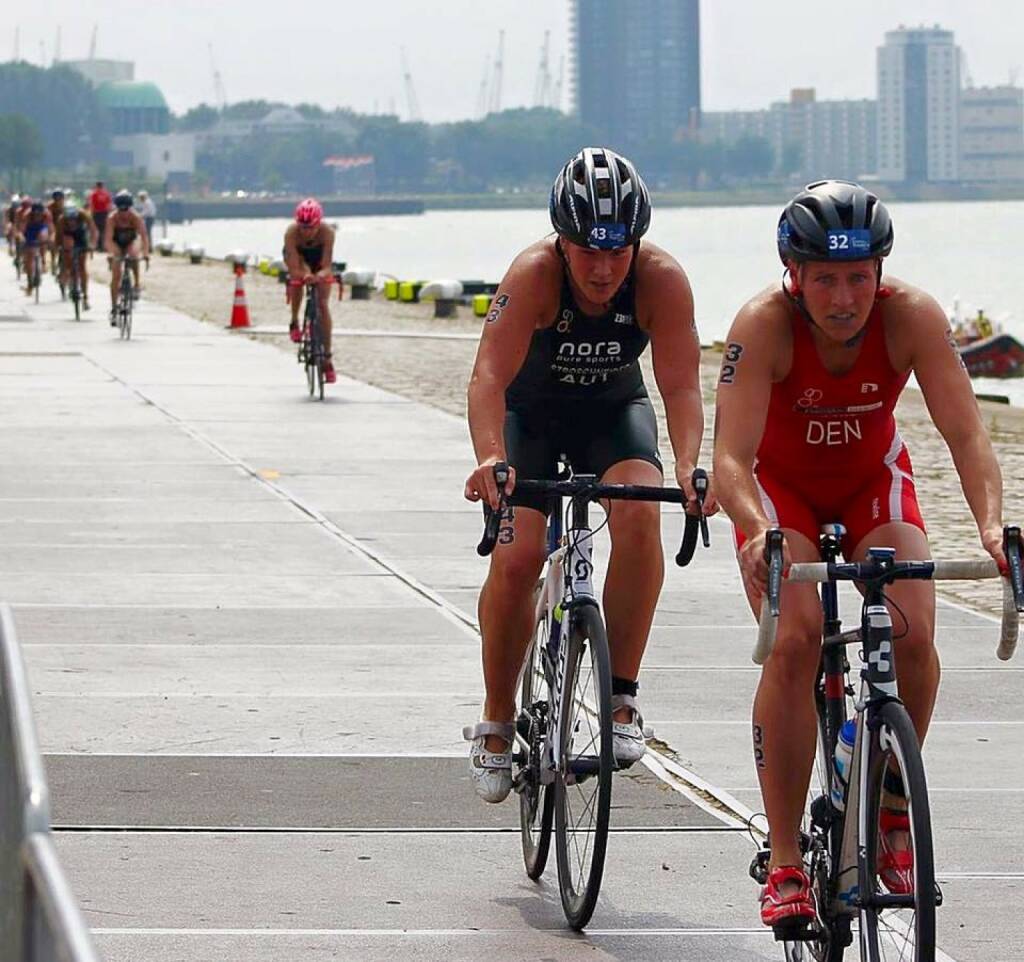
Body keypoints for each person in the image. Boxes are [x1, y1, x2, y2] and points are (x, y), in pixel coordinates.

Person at [711, 180, 1006, 930]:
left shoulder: (911, 318)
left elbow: (967, 435)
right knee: (798, 639)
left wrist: (995, 528)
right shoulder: (764, 325)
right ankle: (783, 860)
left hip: (873, 484)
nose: (844, 299)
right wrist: (753, 531)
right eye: (826, 280)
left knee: (913, 632)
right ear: (795, 275)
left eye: (859, 278)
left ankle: (893, 812)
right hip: (784, 496)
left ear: (881, 273)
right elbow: (732, 460)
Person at [461, 146, 713, 803]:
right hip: (532, 419)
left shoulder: (662, 280)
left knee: (639, 516)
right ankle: (495, 719)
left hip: (612, 413)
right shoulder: (534, 276)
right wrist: (490, 457)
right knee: (516, 559)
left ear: (637, 243)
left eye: (617, 251)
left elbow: (682, 390)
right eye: (586, 252)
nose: (602, 269)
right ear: (562, 243)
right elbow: (488, 377)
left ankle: (621, 697)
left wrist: (689, 465)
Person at [283, 198, 337, 384]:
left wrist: (321, 275)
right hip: (299, 258)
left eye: (311, 228)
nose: (306, 232)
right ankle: (294, 321)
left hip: (318, 259)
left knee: (322, 304)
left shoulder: (327, 233)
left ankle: (327, 359)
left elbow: (327, 265)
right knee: (297, 281)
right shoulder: (291, 234)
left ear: (318, 224)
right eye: (303, 228)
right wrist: (303, 275)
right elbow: (293, 265)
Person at [103, 190, 150, 324]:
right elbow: (108, 239)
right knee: (116, 275)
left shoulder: (136, 217)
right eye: (120, 209)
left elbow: (144, 237)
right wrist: (111, 253)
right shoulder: (112, 218)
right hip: (116, 243)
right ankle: (113, 308)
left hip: (131, 241)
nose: (123, 213)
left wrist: (145, 253)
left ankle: (136, 283)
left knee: (134, 255)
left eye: (126, 209)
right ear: (117, 208)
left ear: (130, 207)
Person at [55, 205, 97, 310]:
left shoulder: (84, 215)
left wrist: (92, 244)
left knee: (82, 267)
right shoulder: (61, 220)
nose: (72, 222)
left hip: (80, 235)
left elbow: (93, 231)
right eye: (69, 220)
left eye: (74, 219)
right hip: (67, 235)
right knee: (67, 250)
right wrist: (58, 248)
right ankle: (70, 275)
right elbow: (58, 236)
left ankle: (85, 297)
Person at [16, 200, 53, 293]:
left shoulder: (47, 215)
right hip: (30, 229)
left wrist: (50, 239)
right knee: (29, 256)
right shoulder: (27, 216)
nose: (37, 216)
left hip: (42, 228)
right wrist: (22, 238)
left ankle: (43, 261)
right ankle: (29, 283)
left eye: (39, 214)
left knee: (43, 238)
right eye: (35, 215)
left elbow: (51, 230)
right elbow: (21, 231)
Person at [87, 181, 113, 252]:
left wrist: (91, 214)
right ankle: (103, 246)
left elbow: (91, 205)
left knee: (95, 230)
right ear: (102, 186)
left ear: (96, 186)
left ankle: (97, 246)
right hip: (104, 214)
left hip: (96, 213)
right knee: (104, 230)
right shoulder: (107, 194)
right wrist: (109, 214)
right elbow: (109, 205)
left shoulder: (94, 194)